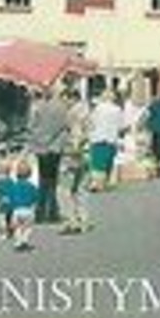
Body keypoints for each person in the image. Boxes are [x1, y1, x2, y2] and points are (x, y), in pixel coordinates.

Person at [26, 84, 70, 224]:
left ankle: (40, 213)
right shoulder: (61, 107)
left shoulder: (36, 107)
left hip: (40, 147)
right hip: (55, 147)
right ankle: (52, 212)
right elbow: (65, 126)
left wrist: (38, 139)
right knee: (52, 180)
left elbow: (30, 127)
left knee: (42, 180)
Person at [59, 87, 92, 234]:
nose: (63, 102)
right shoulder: (86, 112)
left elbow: (76, 135)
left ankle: (70, 221)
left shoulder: (73, 114)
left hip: (72, 155)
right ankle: (84, 219)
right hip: (85, 155)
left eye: (64, 99)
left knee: (64, 190)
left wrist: (73, 148)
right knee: (81, 190)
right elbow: (88, 132)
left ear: (71, 98)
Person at [0, 157, 41, 251]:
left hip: (16, 210)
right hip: (28, 210)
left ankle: (18, 242)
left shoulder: (14, 186)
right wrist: (35, 206)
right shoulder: (31, 186)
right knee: (27, 227)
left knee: (17, 228)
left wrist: (9, 206)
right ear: (29, 174)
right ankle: (24, 240)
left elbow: (10, 198)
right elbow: (36, 197)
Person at [87, 88, 125, 190]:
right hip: (111, 139)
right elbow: (121, 125)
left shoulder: (97, 108)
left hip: (98, 138)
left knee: (97, 163)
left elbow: (91, 122)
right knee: (108, 161)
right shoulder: (117, 110)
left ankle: (96, 183)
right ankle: (105, 182)